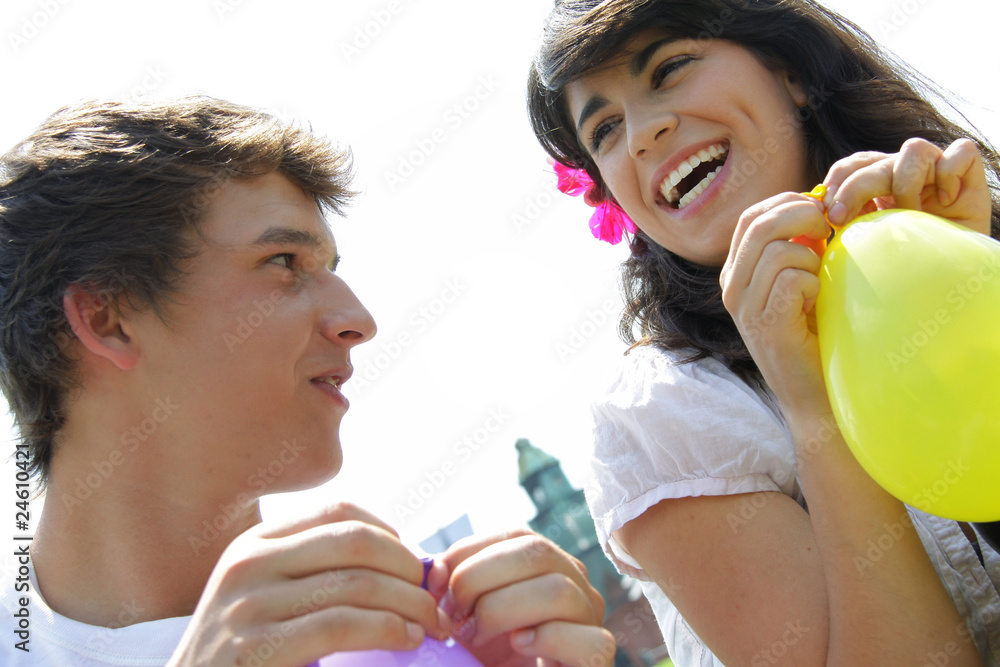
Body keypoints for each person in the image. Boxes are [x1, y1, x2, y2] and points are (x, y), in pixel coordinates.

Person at [0, 96, 614, 667]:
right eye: (284, 262)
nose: (359, 320)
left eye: (330, 268)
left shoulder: (433, 632)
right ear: (107, 319)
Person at [527, 0, 1000, 664]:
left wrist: (969, 296)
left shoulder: (963, 233)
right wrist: (813, 408)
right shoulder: (664, 415)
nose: (640, 135)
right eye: (604, 129)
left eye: (669, 69)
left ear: (788, 70)